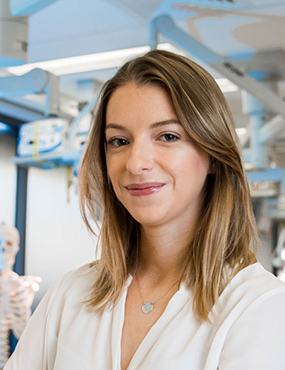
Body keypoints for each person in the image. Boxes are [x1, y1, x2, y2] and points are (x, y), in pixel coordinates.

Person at [4, 49, 285, 370]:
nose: (136, 163)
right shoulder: (70, 293)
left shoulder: (259, 307)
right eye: (119, 141)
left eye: (167, 136)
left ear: (214, 155)